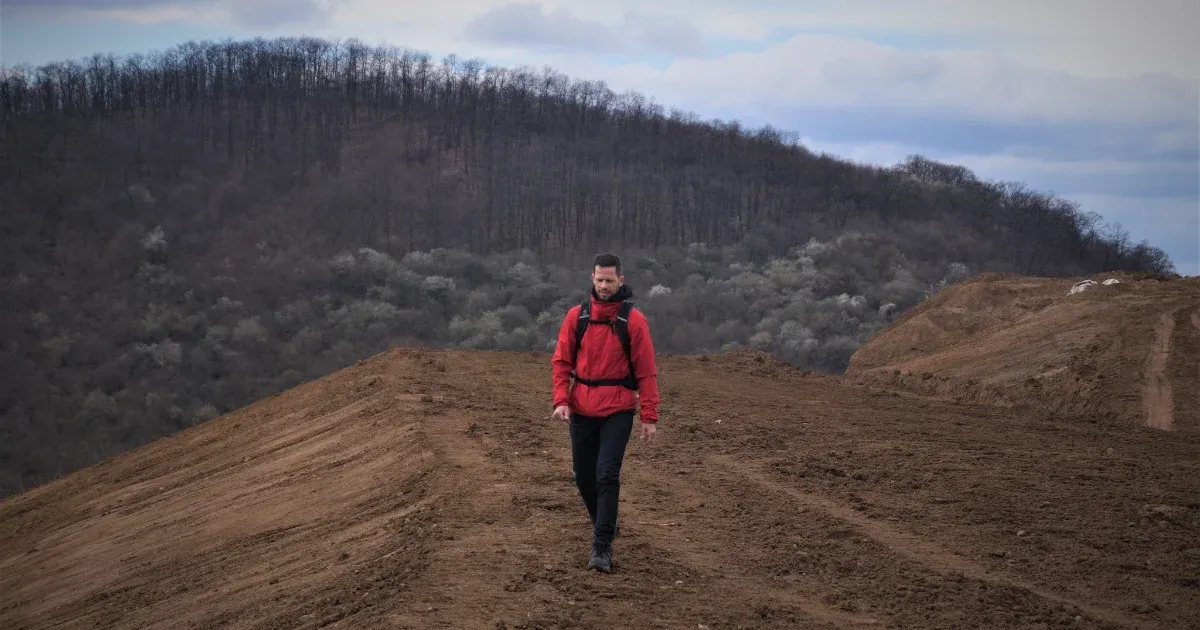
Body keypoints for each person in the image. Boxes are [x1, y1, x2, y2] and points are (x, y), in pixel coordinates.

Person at [551, 252, 660, 574]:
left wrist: (649, 416)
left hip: (618, 408)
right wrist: (561, 399)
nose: (603, 285)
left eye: (609, 280)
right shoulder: (577, 316)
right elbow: (561, 361)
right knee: (583, 476)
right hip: (581, 407)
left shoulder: (633, 321)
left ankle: (601, 545)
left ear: (620, 280)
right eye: (599, 279)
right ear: (592, 278)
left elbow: (647, 372)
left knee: (606, 474)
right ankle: (604, 522)